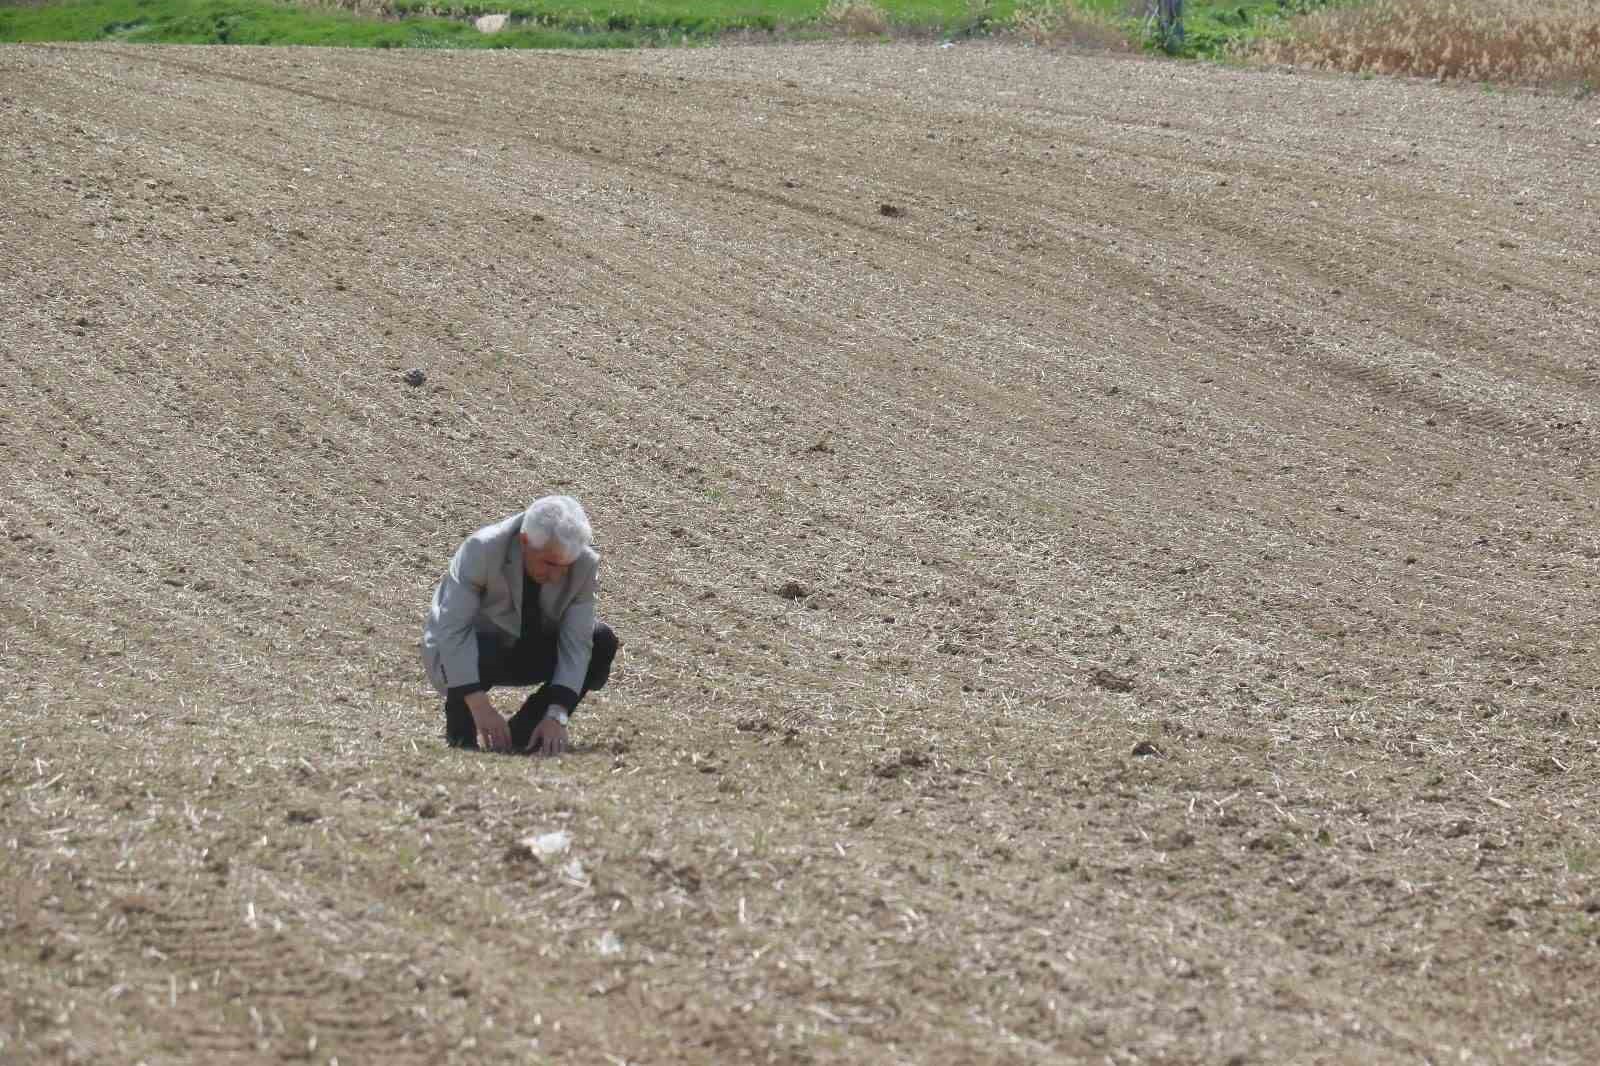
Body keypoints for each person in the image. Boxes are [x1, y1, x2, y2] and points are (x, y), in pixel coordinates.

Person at [420, 495, 618, 756]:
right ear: (524, 542)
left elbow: (577, 643)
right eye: (549, 563)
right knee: (481, 646)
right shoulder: (482, 548)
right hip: (468, 652)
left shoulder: (584, 563)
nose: (556, 576)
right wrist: (479, 705)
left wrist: (557, 713)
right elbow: (452, 630)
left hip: (528, 646)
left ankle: (524, 733)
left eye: (565, 567)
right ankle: (461, 738)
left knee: (601, 639)